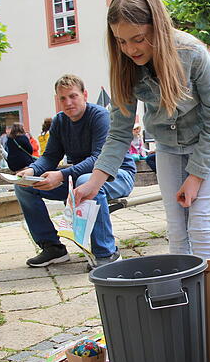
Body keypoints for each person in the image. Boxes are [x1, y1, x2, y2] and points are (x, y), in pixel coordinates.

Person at [73, 0, 210, 260]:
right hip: (168, 148)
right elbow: (119, 133)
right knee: (177, 229)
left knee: (201, 225)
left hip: (207, 146)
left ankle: (209, 299)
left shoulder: (192, 53)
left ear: (157, 28)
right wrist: (94, 183)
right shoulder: (125, 67)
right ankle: (185, 296)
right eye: (121, 41)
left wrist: (195, 177)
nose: (130, 49)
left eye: (137, 38)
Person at [14, 74, 136, 268]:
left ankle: (107, 253)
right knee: (24, 188)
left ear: (84, 95)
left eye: (73, 96)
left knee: (86, 181)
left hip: (117, 174)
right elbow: (50, 156)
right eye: (62, 98)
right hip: (78, 178)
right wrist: (31, 170)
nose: (68, 102)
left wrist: (61, 175)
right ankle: (52, 248)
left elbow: (99, 158)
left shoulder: (100, 116)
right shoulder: (60, 121)